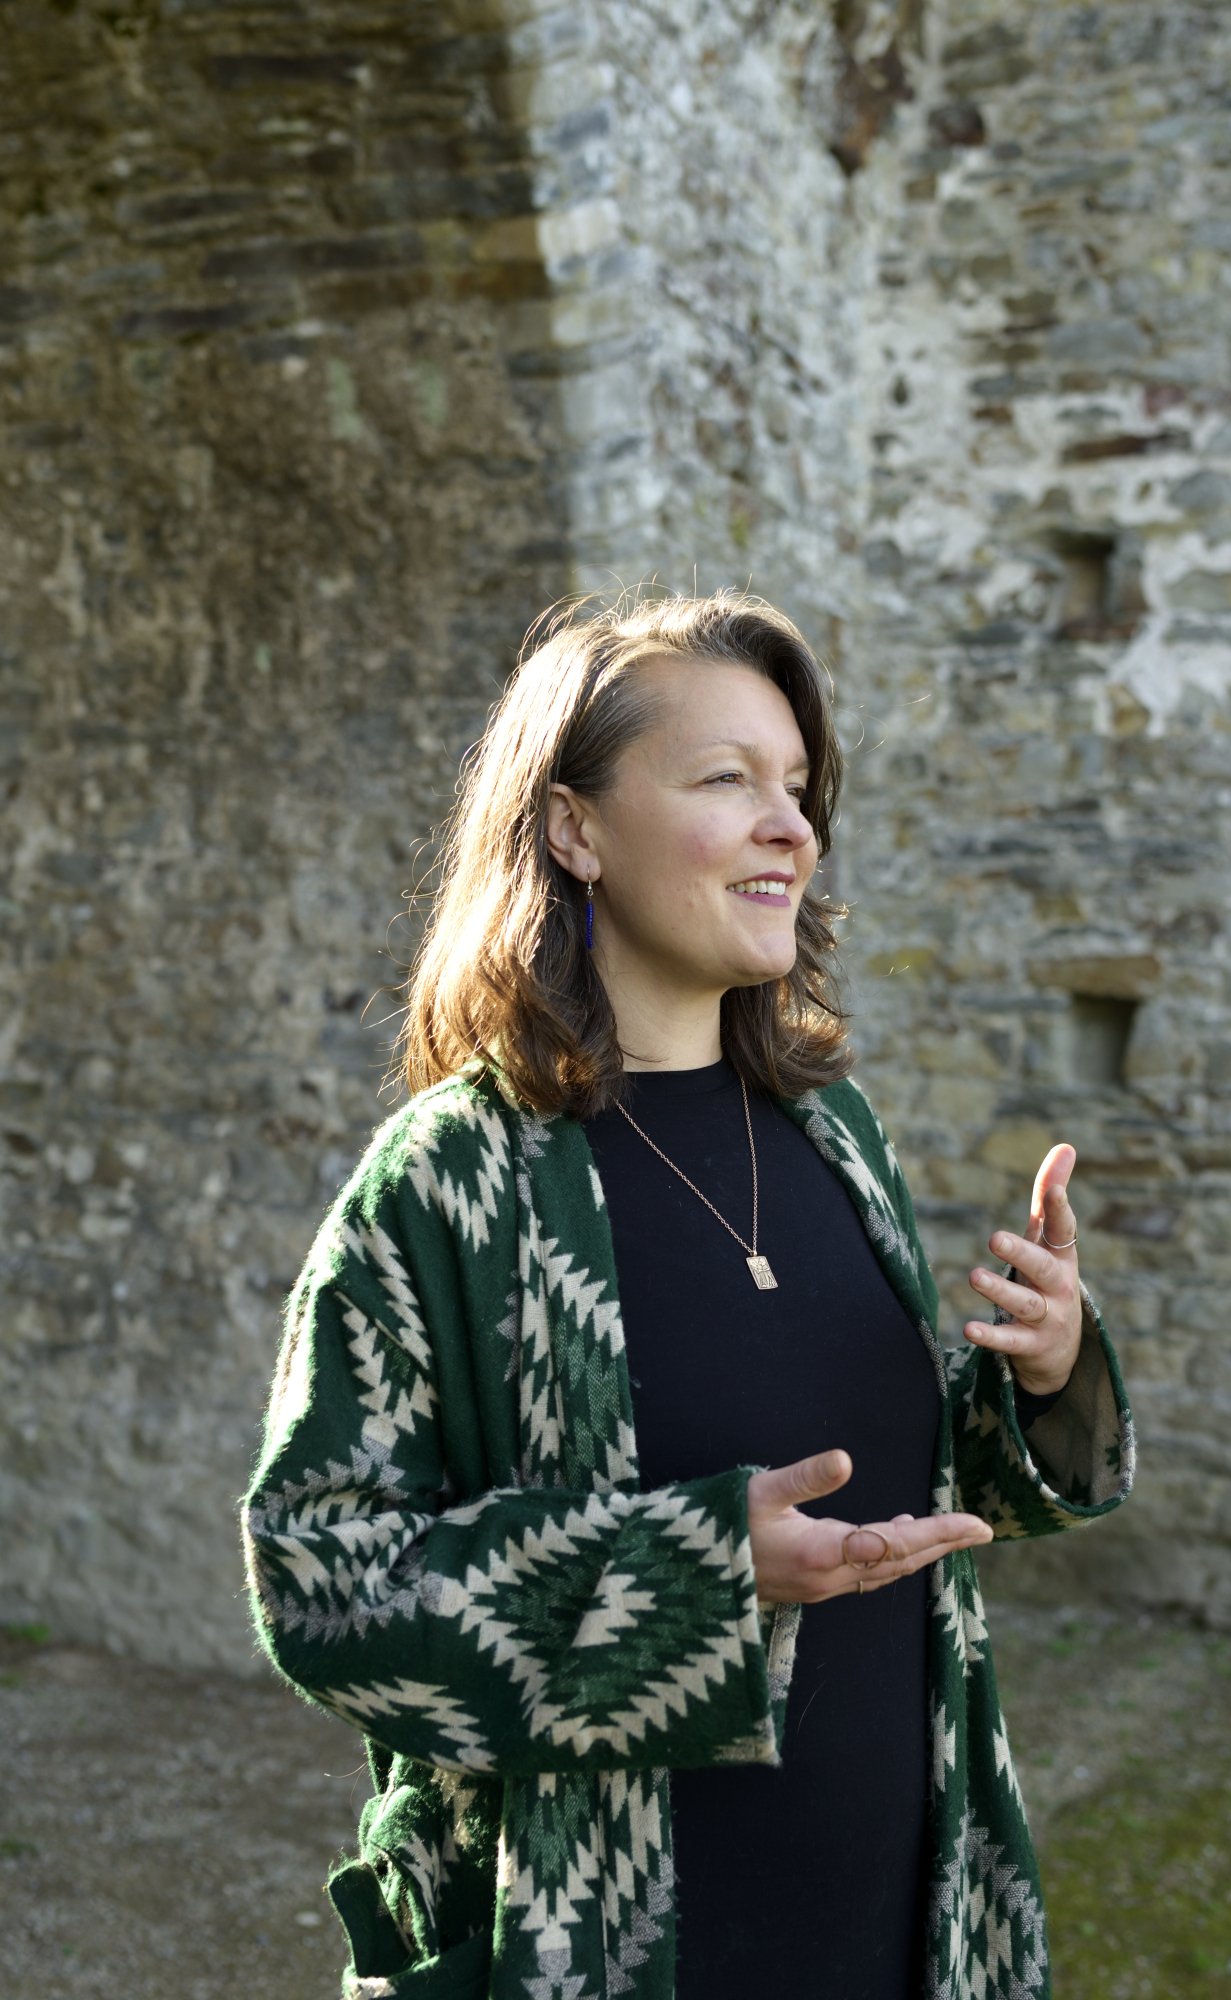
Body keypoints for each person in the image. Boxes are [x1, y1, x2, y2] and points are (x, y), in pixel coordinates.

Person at [242, 588, 1135, 2000]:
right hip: (611, 1950)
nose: (793, 827)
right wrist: (695, 1579)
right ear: (574, 828)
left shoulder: (834, 1135)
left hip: (902, 1927)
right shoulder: (452, 1181)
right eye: (727, 781)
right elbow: (322, 1583)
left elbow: (889, 1505)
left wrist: (1039, 1375)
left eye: (797, 786)